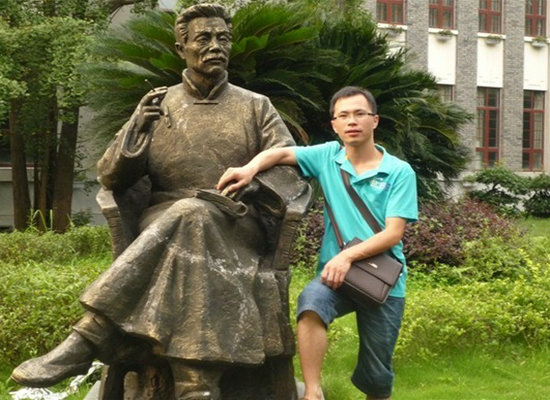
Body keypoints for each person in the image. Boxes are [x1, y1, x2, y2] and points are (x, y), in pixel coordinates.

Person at [11, 4, 307, 399]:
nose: (215, 46)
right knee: (191, 217)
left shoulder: (255, 106)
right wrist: (136, 133)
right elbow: (110, 176)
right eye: (204, 38)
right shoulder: (157, 104)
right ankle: (196, 387)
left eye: (223, 38)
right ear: (181, 47)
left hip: (237, 225)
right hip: (165, 222)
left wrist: (253, 184)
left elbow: (290, 169)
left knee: (194, 215)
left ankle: (89, 335)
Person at [217, 86, 418, 400]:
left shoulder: (398, 172)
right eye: (343, 116)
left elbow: (393, 233)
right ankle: (312, 392)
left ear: (374, 120)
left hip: (384, 280)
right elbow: (281, 153)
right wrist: (249, 168)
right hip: (336, 275)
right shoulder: (327, 157)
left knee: (377, 378)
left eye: (360, 114)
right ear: (334, 125)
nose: (352, 121)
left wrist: (347, 256)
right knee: (311, 303)